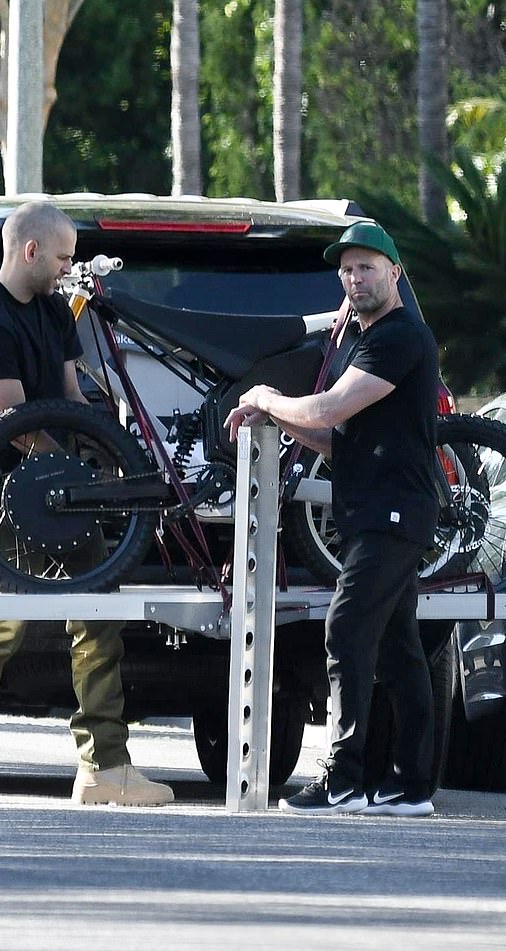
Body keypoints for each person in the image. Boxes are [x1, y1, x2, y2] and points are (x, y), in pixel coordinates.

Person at [0, 201, 173, 807]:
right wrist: (72, 444)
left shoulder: (55, 310)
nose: (70, 268)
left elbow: (66, 395)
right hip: (1, 489)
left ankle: (104, 768)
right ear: (30, 251)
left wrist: (107, 438)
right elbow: (12, 422)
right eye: (63, 257)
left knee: (97, 618)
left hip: (65, 487)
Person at [225, 221, 438, 818]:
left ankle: (343, 779)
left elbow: (328, 406)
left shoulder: (399, 337)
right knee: (397, 649)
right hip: (374, 507)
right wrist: (269, 419)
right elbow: (332, 434)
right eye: (346, 269)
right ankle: (412, 788)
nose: (354, 277)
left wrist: (265, 396)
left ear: (395, 273)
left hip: (394, 510)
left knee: (345, 629)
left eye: (367, 266)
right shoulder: (369, 342)